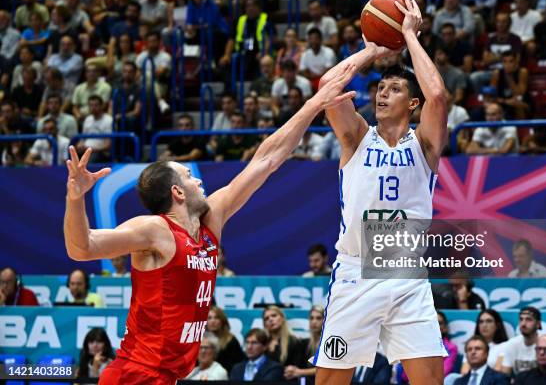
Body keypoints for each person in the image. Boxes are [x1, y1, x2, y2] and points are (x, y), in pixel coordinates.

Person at [64, 65, 358, 384]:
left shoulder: (209, 222)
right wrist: (76, 198)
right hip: (135, 375)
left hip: (169, 375)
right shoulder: (154, 230)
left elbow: (267, 160)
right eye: (190, 177)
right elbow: (82, 248)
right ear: (177, 192)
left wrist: (315, 105)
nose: (199, 181)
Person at [312, 0, 448, 385]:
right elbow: (326, 87)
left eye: (394, 89)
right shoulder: (356, 137)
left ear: (413, 103)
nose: (382, 94)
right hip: (356, 271)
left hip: (406, 274)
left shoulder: (424, 145)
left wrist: (409, 35)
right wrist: (370, 50)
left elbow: (438, 96)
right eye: (380, 88)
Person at [460, 309, 509, 373]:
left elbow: (498, 372)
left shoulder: (505, 346)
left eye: (489, 321)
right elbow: (464, 372)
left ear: (497, 325)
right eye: (481, 322)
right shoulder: (472, 346)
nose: (484, 325)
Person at [285, 305, 324, 381]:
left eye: (318, 318)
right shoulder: (304, 344)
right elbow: (297, 366)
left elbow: (327, 369)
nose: (314, 322)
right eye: (311, 318)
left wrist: (300, 372)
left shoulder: (331, 343)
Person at [500, 307, 542, 375]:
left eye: (528, 320)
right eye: (521, 319)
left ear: (538, 324)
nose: (523, 324)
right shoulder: (512, 344)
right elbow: (504, 376)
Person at [207, 306, 245, 372]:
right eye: (209, 318)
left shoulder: (231, 341)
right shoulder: (199, 340)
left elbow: (236, 366)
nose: (213, 321)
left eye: (216, 318)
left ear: (222, 321)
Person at [438, 311, 459, 377]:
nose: (436, 326)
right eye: (433, 323)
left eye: (440, 323)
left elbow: (443, 372)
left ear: (445, 327)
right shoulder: (418, 346)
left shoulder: (451, 348)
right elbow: (405, 376)